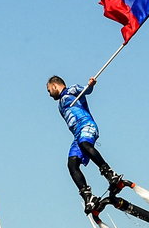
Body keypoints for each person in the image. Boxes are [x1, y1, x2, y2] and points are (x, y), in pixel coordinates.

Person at [46, 75, 121, 213]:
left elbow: (87, 90)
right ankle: (88, 195)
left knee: (85, 144)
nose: (50, 95)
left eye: (49, 90)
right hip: (77, 135)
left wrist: (91, 85)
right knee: (72, 163)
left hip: (87, 125)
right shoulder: (60, 105)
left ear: (55, 85)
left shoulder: (72, 90)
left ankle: (109, 173)